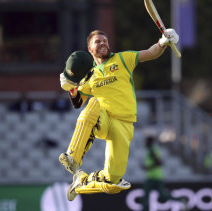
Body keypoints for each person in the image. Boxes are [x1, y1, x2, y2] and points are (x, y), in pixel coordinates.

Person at [59, 29, 179, 201]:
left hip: (125, 125)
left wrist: (163, 42)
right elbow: (79, 102)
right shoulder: (89, 75)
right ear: (89, 48)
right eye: (98, 41)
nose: (103, 43)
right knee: (93, 104)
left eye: (105, 40)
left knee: (113, 182)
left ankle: (81, 182)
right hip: (104, 119)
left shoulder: (122, 59)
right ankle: (73, 157)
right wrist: (71, 89)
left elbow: (151, 53)